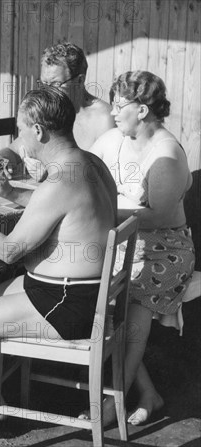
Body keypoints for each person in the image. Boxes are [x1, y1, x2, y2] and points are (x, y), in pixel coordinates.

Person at [0, 86, 118, 431]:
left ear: (39, 130)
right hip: (83, 292)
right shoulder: (91, 163)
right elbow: (67, 216)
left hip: (65, 304)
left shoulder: (60, 180)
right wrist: (13, 193)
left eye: (21, 130)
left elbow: (9, 251)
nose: (20, 140)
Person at [87, 71, 195, 426]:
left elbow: (158, 215)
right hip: (121, 241)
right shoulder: (113, 139)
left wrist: (101, 210)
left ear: (144, 110)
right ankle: (148, 393)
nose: (113, 112)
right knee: (95, 295)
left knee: (131, 304)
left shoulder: (166, 153)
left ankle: (110, 401)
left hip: (165, 249)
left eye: (120, 105)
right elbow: (84, 171)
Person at [0, 42, 115, 179]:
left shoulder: (104, 118)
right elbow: (12, 150)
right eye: (43, 84)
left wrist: (52, 174)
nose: (47, 91)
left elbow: (104, 180)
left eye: (55, 84)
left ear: (80, 80)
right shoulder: (46, 111)